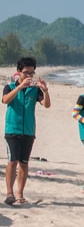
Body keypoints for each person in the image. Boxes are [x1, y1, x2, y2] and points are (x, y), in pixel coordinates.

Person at [3, 57, 50, 205]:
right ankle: (9, 193)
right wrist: (19, 87)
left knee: (24, 163)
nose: (29, 76)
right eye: (26, 73)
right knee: (12, 161)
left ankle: (20, 193)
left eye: (31, 73)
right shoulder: (10, 87)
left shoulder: (34, 89)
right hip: (12, 129)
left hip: (28, 131)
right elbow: (5, 100)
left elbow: (46, 104)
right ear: (18, 72)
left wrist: (45, 90)